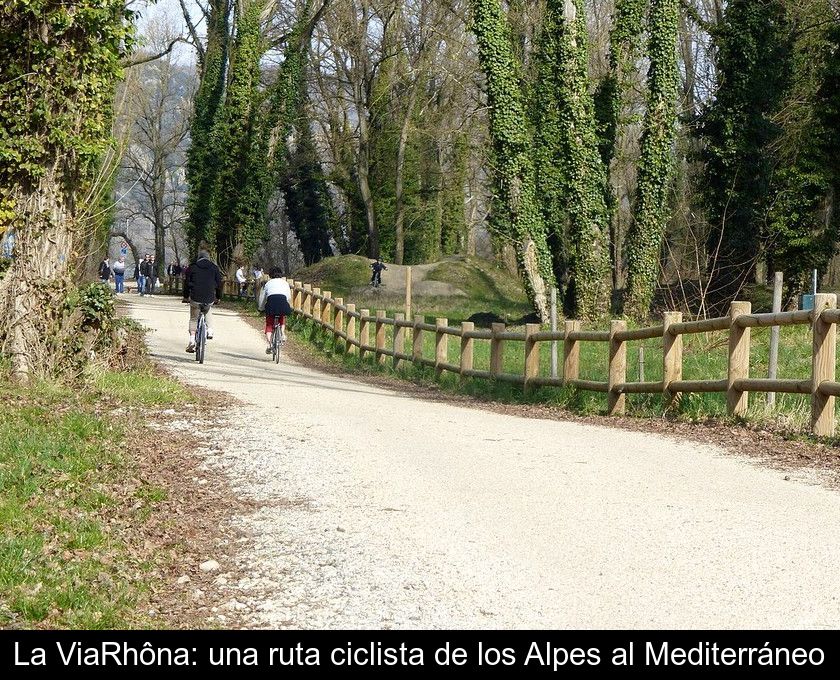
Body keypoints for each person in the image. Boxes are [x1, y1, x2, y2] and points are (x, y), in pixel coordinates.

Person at [183, 250, 222, 353]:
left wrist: (186, 296)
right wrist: (218, 297)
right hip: (209, 297)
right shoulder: (214, 268)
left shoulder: (192, 267)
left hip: (195, 296)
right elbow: (219, 284)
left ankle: (192, 339)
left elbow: (186, 283)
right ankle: (210, 330)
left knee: (193, 318)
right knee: (208, 309)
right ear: (208, 258)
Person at [257, 267, 292, 354]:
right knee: (282, 317)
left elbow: (262, 298)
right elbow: (288, 297)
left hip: (271, 303)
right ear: (281, 274)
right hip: (282, 302)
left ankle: (270, 345)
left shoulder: (268, 283)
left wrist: (261, 308)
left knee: (269, 324)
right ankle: (283, 334)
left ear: (270, 275)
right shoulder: (285, 283)